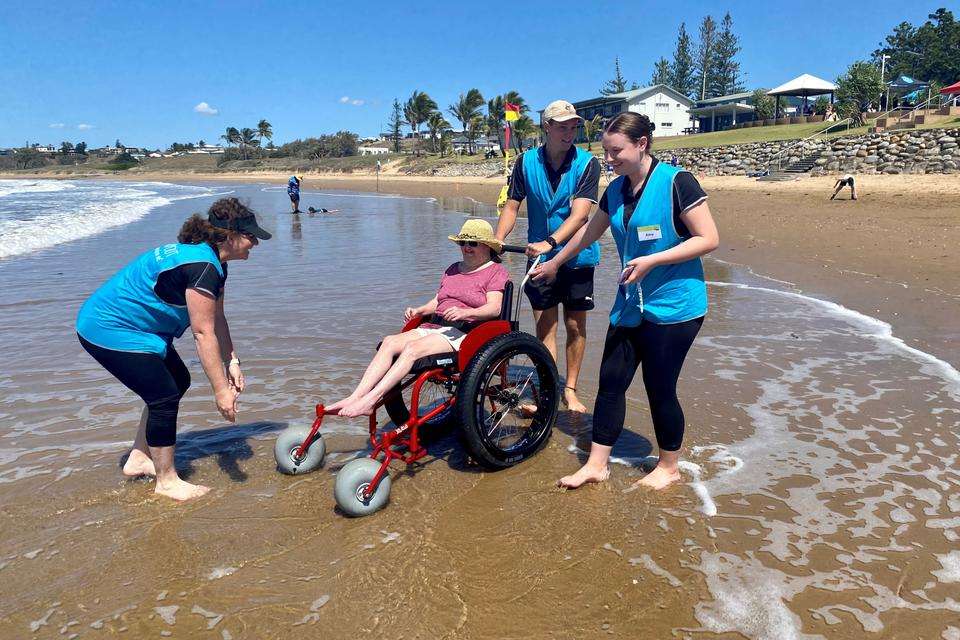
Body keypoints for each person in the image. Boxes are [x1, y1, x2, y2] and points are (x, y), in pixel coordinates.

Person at [533, 112, 719, 491]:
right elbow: (589, 233)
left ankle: (669, 466)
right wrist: (554, 263)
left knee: (659, 386)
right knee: (611, 382)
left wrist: (652, 260)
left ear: (642, 144)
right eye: (606, 151)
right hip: (630, 303)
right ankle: (596, 464)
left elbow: (708, 238)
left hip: (675, 306)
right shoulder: (615, 190)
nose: (609, 159)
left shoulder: (676, 182)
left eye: (616, 151)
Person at [76, 198, 271, 501]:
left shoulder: (215, 262)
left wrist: (231, 360)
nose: (255, 243)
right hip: (108, 329)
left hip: (137, 330)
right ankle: (166, 481)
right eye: (250, 236)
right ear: (230, 236)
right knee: (164, 395)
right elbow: (203, 332)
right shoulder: (202, 266)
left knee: (177, 381)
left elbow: (216, 317)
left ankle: (140, 458)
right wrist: (221, 391)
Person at [328, 219, 509, 418]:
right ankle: (356, 396)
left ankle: (371, 401)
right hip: (437, 325)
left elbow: (494, 308)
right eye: (462, 243)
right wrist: (419, 310)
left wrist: (465, 312)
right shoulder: (453, 268)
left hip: (466, 331)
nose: (466, 247)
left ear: (486, 246)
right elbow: (439, 301)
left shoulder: (495, 271)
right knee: (389, 342)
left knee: (412, 349)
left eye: (472, 243)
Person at [495, 99, 601, 413]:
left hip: (577, 257)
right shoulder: (525, 162)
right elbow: (512, 206)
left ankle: (569, 389)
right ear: (547, 126)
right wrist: (496, 242)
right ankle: (547, 389)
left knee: (575, 326)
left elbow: (581, 214)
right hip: (538, 260)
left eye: (573, 126)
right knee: (545, 328)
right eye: (562, 126)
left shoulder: (587, 164)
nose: (569, 132)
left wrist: (550, 241)